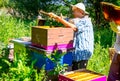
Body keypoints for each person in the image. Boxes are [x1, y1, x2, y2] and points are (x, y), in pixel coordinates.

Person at [49, 3, 94, 70]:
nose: (73, 13)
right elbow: (69, 21)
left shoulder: (85, 21)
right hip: (77, 53)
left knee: (79, 74)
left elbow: (73, 27)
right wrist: (60, 18)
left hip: (82, 53)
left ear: (80, 11)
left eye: (74, 11)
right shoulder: (78, 20)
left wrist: (58, 18)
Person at [101, 2, 120, 81]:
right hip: (118, 52)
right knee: (112, 77)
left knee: (113, 77)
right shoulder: (115, 22)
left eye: (103, 11)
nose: (103, 13)